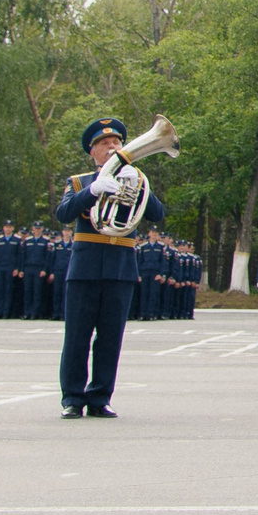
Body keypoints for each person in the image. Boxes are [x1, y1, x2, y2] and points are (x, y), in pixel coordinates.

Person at [52, 119, 168, 420]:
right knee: (77, 337)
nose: (113, 147)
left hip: (120, 268)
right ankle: (73, 399)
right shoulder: (78, 182)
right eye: (105, 144)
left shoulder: (136, 180)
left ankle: (100, 397)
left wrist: (142, 185)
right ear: (93, 151)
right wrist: (93, 190)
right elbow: (63, 213)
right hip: (85, 268)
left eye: (117, 143)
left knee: (110, 339)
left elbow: (157, 214)